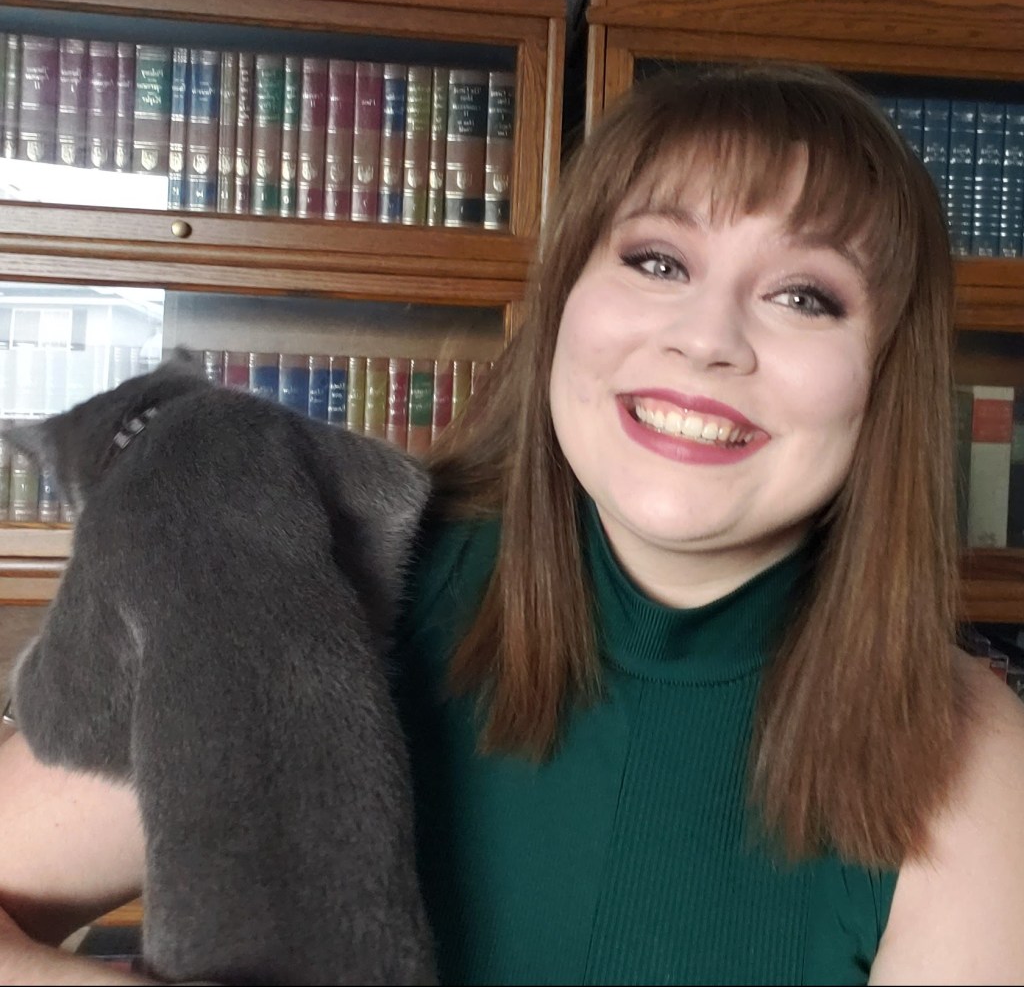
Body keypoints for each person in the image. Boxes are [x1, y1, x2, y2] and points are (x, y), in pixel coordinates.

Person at [1, 62, 1023, 985]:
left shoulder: (976, 757)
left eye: (806, 294)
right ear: (562, 303)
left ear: (883, 379)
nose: (707, 340)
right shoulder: (315, 579)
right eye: (658, 261)